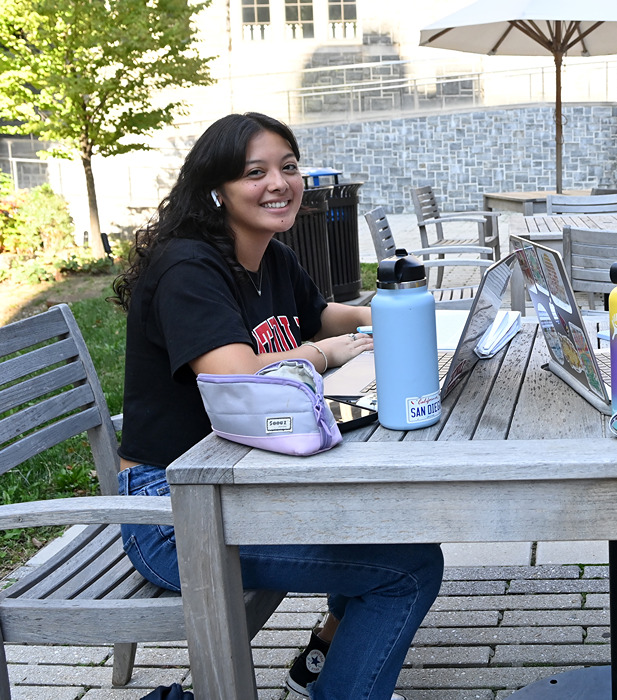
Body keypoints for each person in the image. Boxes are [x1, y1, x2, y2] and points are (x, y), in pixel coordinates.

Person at [112, 112, 443, 700]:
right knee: (406, 568)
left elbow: (325, 315)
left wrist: (395, 314)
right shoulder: (190, 268)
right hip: (174, 516)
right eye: (255, 172)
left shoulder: (269, 253)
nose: (279, 183)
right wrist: (321, 353)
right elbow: (236, 373)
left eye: (288, 167)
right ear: (216, 188)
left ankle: (322, 665)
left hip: (241, 483)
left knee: (390, 518)